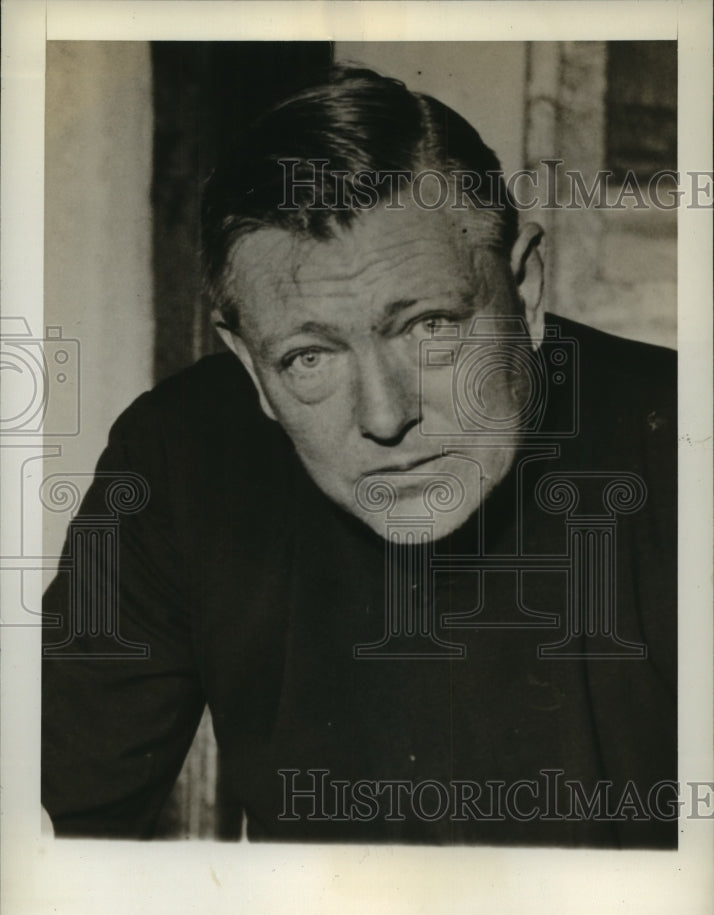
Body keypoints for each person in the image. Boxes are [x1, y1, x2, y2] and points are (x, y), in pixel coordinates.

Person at [42, 66, 677, 846]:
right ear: (249, 365)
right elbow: (46, 838)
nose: (384, 417)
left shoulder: (684, 444)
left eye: (431, 328)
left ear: (526, 289)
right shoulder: (176, 457)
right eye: (309, 357)